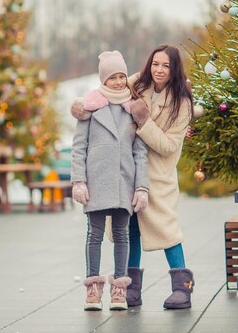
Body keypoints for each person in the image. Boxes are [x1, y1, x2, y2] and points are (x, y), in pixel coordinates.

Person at [72, 44, 194, 309]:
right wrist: (82, 107)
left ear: (174, 69)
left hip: (158, 174)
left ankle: (182, 288)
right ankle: (131, 288)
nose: (159, 70)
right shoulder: (138, 84)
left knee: (167, 230)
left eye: (166, 65)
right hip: (128, 171)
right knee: (130, 229)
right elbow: (109, 87)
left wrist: (143, 121)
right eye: (155, 64)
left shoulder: (182, 103)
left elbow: (168, 146)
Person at [71, 50, 150, 311]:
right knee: (94, 234)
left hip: (123, 182)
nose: (117, 82)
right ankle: (93, 289)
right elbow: (79, 147)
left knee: (121, 234)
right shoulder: (90, 108)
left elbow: (139, 151)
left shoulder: (133, 109)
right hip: (96, 183)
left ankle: (119, 290)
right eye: (112, 77)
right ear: (103, 80)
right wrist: (79, 181)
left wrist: (141, 187)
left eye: (121, 76)